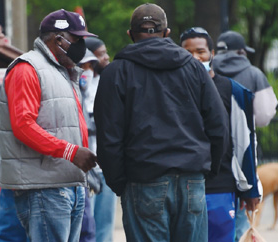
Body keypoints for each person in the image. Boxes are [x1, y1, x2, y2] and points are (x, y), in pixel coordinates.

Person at [94, 4, 229, 242]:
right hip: (191, 177)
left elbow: (108, 136)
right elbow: (218, 126)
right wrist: (205, 170)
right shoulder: (195, 69)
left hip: (143, 179)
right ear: (166, 33)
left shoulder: (116, 72)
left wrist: (119, 183)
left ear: (130, 34)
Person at [0, 9, 98, 242]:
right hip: (44, 187)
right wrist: (70, 151)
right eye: (77, 39)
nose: (82, 45)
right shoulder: (27, 68)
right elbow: (23, 125)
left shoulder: (64, 71)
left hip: (68, 182)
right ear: (58, 39)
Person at [180, 27, 261, 242]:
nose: (194, 58)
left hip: (220, 188)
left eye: (200, 51)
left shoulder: (232, 91)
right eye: (187, 52)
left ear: (212, 54)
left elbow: (246, 142)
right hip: (180, 187)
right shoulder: (171, 90)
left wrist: (250, 188)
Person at [212, 30, 276, 241]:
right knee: (240, 216)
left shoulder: (204, 71)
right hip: (243, 152)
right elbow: (266, 115)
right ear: (241, 51)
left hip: (209, 157)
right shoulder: (253, 73)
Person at [85, 36, 118, 242]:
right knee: (87, 227)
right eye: (101, 54)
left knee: (105, 227)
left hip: (106, 167)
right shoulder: (79, 84)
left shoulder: (109, 82)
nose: (107, 57)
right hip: (86, 169)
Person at [78, 49, 99, 242]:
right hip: (71, 176)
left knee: (88, 231)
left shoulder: (85, 96)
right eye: (82, 66)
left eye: (90, 66)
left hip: (87, 173)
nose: (87, 71)